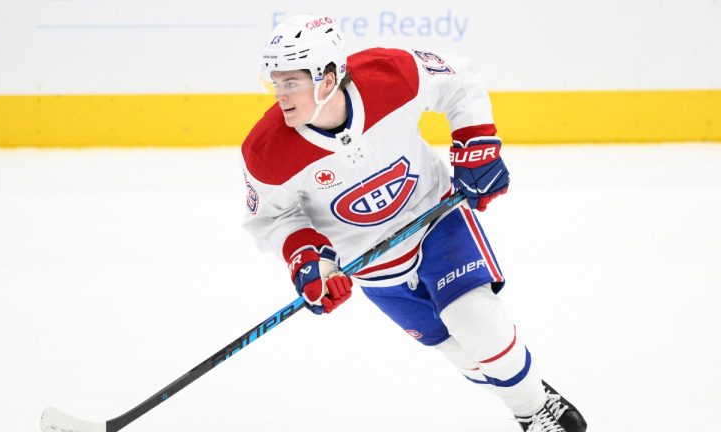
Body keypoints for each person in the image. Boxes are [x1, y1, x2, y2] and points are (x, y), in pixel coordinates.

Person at [240, 14, 587, 432]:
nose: (280, 95)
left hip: (435, 218)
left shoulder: (389, 74)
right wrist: (309, 259)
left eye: (291, 82)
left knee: (474, 319)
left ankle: (531, 412)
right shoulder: (265, 150)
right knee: (460, 351)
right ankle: (530, 394)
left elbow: (458, 80)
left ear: (327, 79)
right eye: (275, 82)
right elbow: (272, 218)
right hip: (369, 264)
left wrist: (475, 141)